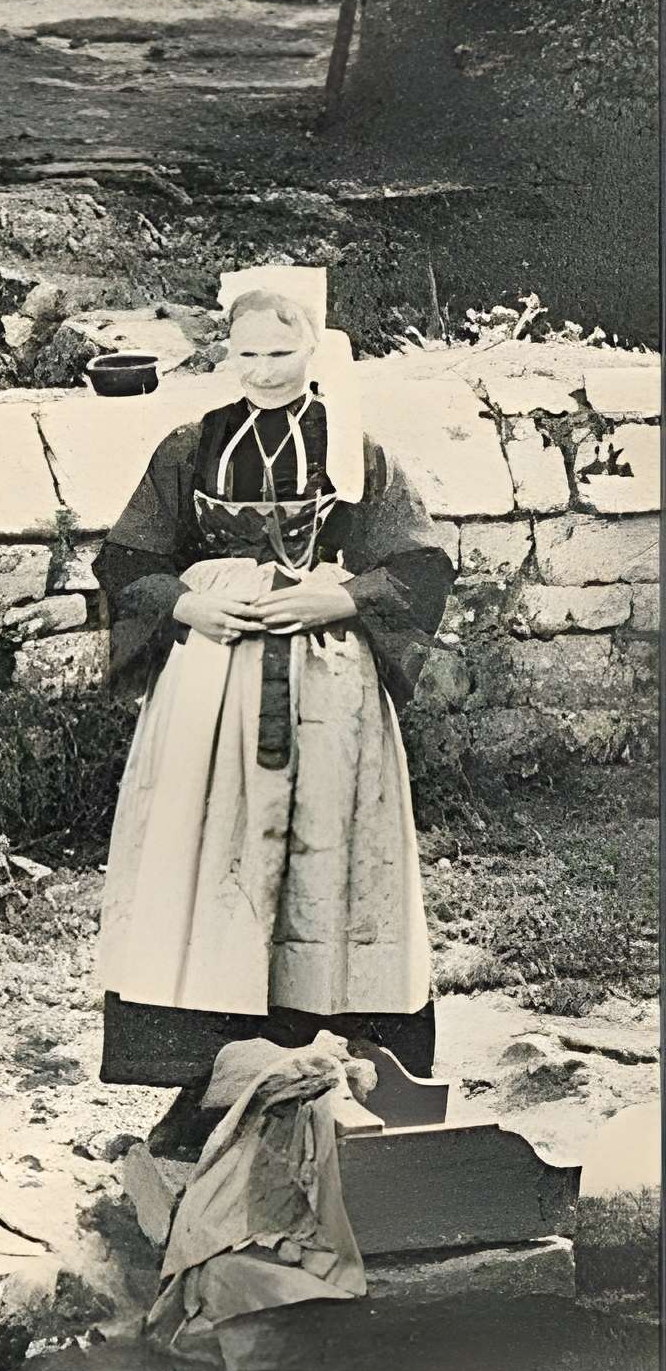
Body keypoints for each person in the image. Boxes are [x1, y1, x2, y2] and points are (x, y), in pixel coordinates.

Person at [91, 266, 451, 1113]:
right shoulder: (192, 444)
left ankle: (336, 1057)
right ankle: (205, 1074)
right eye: (246, 352)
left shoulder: (356, 448)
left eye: (281, 351)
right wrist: (187, 608)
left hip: (328, 676)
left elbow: (419, 562)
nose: (262, 369)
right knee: (209, 849)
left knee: (329, 847)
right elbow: (129, 559)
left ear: (314, 348)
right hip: (217, 676)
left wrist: (342, 596)